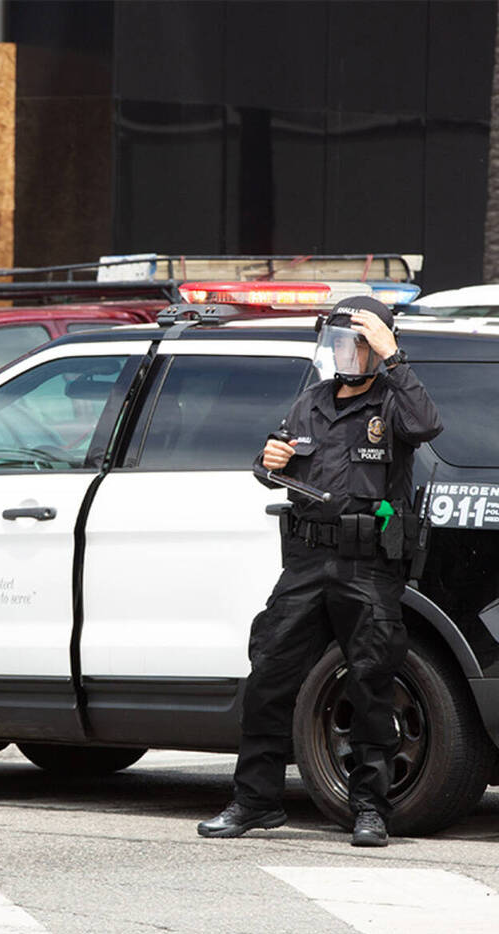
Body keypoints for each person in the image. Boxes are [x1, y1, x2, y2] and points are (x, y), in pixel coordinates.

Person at [197, 295, 442, 848]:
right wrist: (269, 462)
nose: (348, 355)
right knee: (269, 675)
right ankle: (255, 802)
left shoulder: (394, 401)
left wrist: (394, 356)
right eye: (340, 344)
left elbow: (428, 426)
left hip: (368, 565)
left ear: (379, 348)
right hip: (308, 561)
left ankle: (370, 809)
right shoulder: (311, 400)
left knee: (371, 683)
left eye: (360, 345)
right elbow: (273, 464)